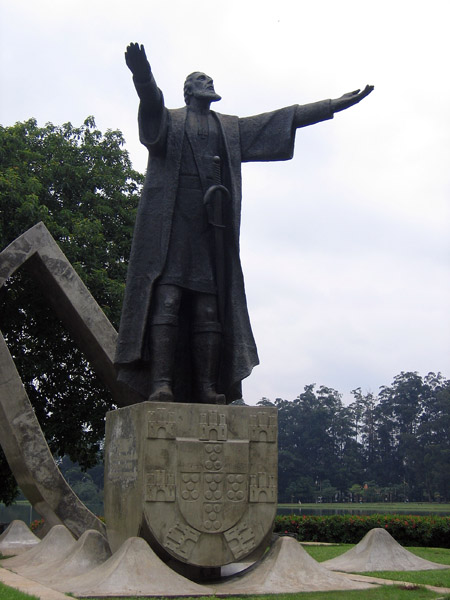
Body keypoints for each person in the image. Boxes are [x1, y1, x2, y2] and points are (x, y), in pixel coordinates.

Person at [115, 42, 373, 405]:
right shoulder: (170, 121)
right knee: (168, 301)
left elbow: (280, 119)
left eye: (210, 78)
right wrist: (142, 74)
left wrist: (331, 106)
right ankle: (161, 384)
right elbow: (152, 104)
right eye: (201, 79)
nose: (208, 82)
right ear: (188, 90)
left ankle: (207, 387)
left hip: (209, 232)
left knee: (209, 308)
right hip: (171, 229)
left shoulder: (230, 129)